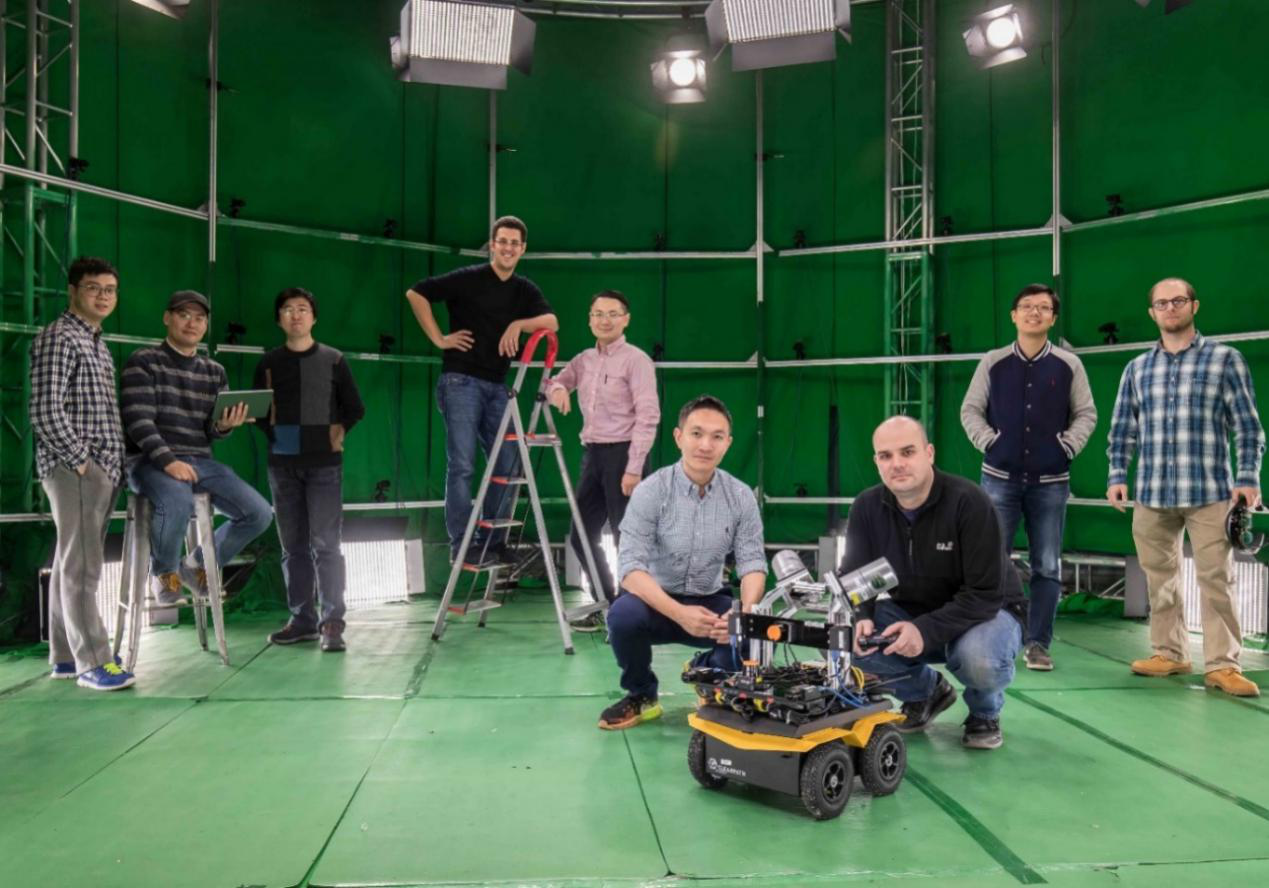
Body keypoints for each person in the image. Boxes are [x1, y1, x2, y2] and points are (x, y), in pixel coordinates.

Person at [1107, 277, 1264, 698]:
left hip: (1210, 491)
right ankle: (1170, 652)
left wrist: (1248, 477)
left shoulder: (1225, 360)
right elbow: (1122, 429)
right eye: (1161, 303)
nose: (1170, 308)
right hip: (1152, 492)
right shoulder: (1137, 368)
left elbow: (1248, 426)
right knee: (1160, 579)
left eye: (1178, 300)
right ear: (1152, 313)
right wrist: (1117, 475)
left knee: (1217, 580)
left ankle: (1223, 664)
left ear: (1194, 306)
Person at [845, 416, 1026, 750]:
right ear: (876, 462)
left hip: (985, 613)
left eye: (907, 452)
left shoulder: (970, 502)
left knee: (980, 658)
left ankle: (984, 711)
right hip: (912, 609)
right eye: (886, 456)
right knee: (843, 639)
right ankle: (926, 693)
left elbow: (985, 594)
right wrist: (862, 615)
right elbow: (856, 576)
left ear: (929, 453)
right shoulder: (867, 507)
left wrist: (924, 630)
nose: (897, 464)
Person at [599, 395, 766, 730]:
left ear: (728, 443)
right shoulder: (651, 491)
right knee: (623, 616)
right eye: (696, 434)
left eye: (717, 436)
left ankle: (709, 674)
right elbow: (629, 568)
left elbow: (753, 563)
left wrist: (744, 612)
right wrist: (679, 613)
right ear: (678, 437)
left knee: (753, 631)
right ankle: (642, 694)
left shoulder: (740, 496)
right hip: (655, 602)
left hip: (710, 602)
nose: (705, 445)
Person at [405, 215, 558, 566]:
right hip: (461, 381)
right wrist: (439, 338)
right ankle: (462, 545)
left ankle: (493, 542)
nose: (508, 248)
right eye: (502, 241)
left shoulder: (524, 289)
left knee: (509, 462)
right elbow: (416, 293)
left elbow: (552, 322)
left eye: (514, 243)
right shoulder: (468, 277)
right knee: (462, 465)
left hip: (498, 385)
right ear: (492, 245)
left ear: (523, 249)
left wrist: (518, 324)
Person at [960, 283, 1097, 671]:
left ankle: (1038, 643)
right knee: (991, 561)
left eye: (1043, 308)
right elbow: (970, 409)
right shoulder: (993, 361)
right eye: (1026, 306)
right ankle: (990, 637)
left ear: (1053, 318)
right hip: (998, 479)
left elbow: (1086, 413)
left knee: (1047, 565)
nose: (1034, 313)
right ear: (1014, 315)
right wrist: (990, 442)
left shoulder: (1069, 365)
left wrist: (1066, 447)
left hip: (1051, 483)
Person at [120, 290, 273, 607]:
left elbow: (211, 430)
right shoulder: (143, 361)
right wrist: (168, 461)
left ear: (206, 325)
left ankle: (195, 566)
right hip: (149, 461)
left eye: (200, 318)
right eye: (184, 315)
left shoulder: (214, 372)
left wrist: (225, 425)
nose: (192, 323)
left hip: (200, 461)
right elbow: (137, 420)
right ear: (167, 318)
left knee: (259, 513)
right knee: (177, 499)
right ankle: (165, 575)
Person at [30, 257, 134, 691]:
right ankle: (94, 660)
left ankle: (66, 657)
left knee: (69, 561)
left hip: (98, 466)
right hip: (75, 469)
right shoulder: (60, 337)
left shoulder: (96, 342)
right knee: (85, 567)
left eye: (110, 289)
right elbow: (44, 409)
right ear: (73, 291)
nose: (103, 296)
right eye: (93, 288)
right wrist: (80, 461)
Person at [253, 287, 365, 652]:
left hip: (324, 467)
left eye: (302, 309)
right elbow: (258, 410)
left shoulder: (334, 359)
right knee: (293, 548)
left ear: (314, 317)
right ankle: (301, 620)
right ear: (279, 319)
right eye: (287, 309)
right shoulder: (268, 363)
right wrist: (278, 437)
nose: (296, 315)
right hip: (282, 468)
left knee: (327, 546)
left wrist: (335, 435)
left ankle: (332, 623)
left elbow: (355, 408)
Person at [547, 290, 659, 629]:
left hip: (625, 455)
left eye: (612, 314)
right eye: (598, 314)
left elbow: (649, 416)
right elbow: (555, 381)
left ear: (626, 319)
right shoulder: (584, 360)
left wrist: (634, 468)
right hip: (593, 455)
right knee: (580, 534)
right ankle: (607, 603)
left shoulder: (636, 360)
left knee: (628, 539)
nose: (604, 320)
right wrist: (558, 389)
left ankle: (632, 613)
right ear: (589, 319)